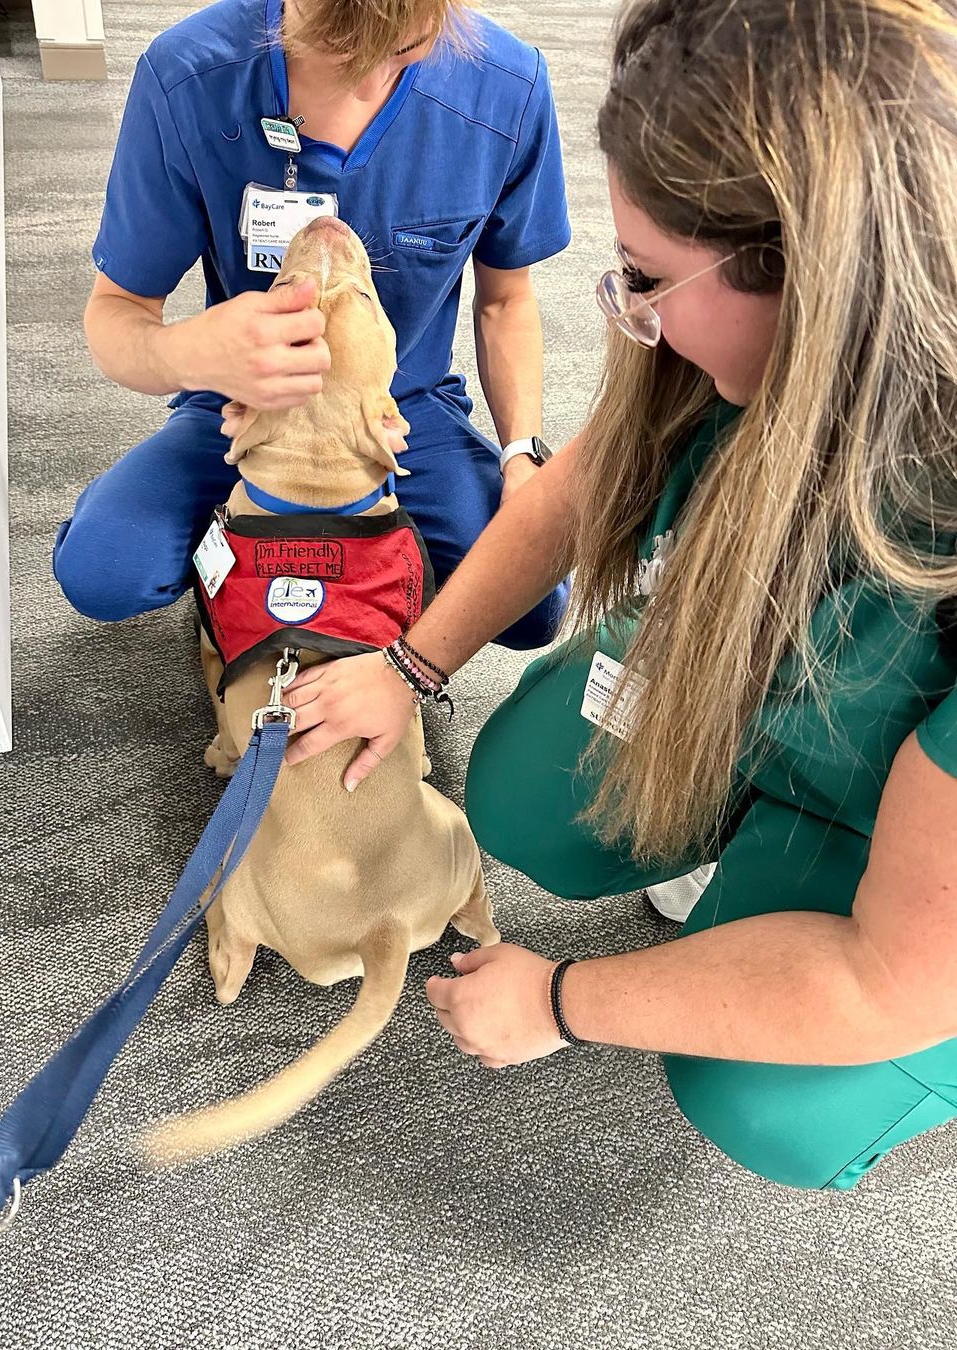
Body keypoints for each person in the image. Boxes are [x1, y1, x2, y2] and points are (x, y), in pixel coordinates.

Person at [279, 0, 957, 1190]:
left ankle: (792, 864)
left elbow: (880, 980)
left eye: (646, 277)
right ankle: (735, 819)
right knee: (522, 799)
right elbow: (573, 492)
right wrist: (409, 667)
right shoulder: (761, 354)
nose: (629, 312)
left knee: (764, 1097)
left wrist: (563, 1000)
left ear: (811, 270)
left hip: (901, 815)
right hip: (757, 670)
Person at [53, 0, 570, 649]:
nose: (359, 79)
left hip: (399, 409)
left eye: (396, 52)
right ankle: (250, 561)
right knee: (100, 570)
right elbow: (116, 314)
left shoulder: (506, 87)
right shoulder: (189, 75)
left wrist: (522, 452)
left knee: (531, 604)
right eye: (332, 50)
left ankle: (340, 569)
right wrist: (192, 354)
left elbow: (505, 302)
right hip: (243, 402)